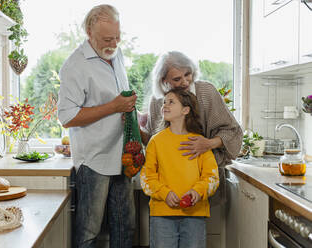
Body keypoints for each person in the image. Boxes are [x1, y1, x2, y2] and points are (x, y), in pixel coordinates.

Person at [57, 4, 136, 248]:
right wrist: (114, 107)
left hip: (121, 155)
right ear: (89, 33)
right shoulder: (75, 65)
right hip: (93, 160)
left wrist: (129, 112)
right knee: (88, 233)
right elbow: (67, 116)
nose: (114, 43)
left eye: (117, 36)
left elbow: (119, 100)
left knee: (125, 228)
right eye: (107, 39)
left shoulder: (116, 54)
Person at [140, 51, 243, 204]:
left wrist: (208, 144)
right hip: (168, 184)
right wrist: (134, 123)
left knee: (198, 223)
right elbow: (151, 140)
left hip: (202, 180)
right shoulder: (157, 101)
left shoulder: (206, 92)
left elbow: (232, 131)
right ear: (164, 80)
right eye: (177, 79)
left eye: (188, 74)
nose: (185, 82)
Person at [140, 88, 219, 248]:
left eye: (171, 102)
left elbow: (212, 177)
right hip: (162, 215)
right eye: (164, 102)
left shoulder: (199, 142)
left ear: (185, 110)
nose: (164, 106)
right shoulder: (156, 142)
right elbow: (147, 178)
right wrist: (165, 193)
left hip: (195, 215)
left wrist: (197, 191)